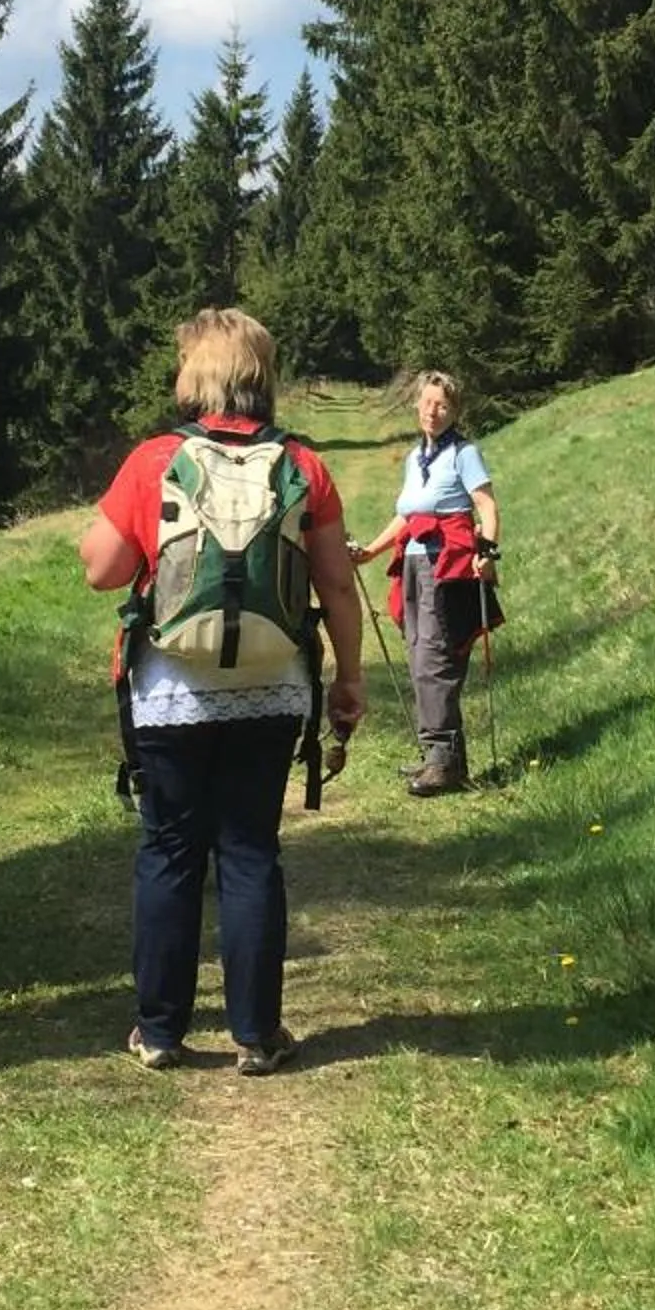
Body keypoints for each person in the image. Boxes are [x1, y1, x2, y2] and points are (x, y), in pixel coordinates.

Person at [79, 308, 367, 1076]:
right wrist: (348, 676)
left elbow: (102, 570)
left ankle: (159, 1030)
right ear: (259, 376)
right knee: (249, 851)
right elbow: (338, 585)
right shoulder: (303, 465)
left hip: (171, 688)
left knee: (170, 849)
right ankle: (256, 1033)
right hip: (271, 687)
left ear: (196, 376)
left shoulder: (155, 460)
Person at [350, 369, 501, 797]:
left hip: (446, 565)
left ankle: (443, 762)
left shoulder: (464, 454)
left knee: (436, 658)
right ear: (417, 404)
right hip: (414, 564)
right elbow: (406, 516)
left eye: (443, 405)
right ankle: (440, 755)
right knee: (419, 655)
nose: (433, 412)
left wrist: (487, 552)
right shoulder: (415, 458)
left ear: (455, 412)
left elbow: (487, 507)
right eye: (428, 402)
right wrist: (370, 552)